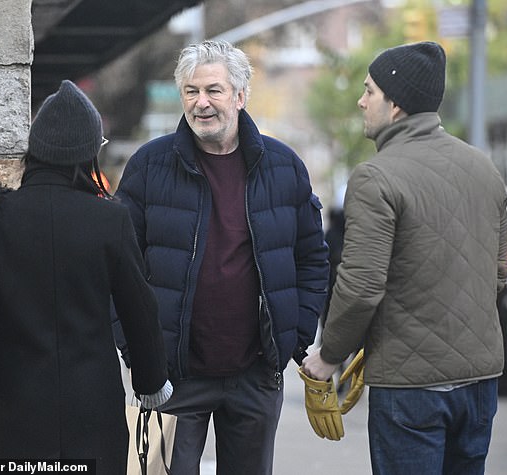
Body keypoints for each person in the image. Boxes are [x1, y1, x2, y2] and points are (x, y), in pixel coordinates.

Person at [0, 80, 171, 475]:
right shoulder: (110, 219)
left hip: (15, 401)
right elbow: (138, 309)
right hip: (93, 401)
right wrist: (151, 382)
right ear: (87, 152)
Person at [115, 40, 329, 474]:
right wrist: (138, 353)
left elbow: (312, 259)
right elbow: (118, 265)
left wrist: (295, 336)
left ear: (240, 95)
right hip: (171, 378)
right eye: (191, 92)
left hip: (254, 374)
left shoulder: (284, 167)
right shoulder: (148, 167)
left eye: (214, 90)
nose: (202, 103)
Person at [302, 41, 507, 474]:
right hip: (481, 384)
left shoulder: (376, 177)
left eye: (369, 91)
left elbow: (360, 288)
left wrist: (328, 357)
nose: (361, 101)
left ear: (395, 105)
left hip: (411, 389)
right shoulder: (483, 168)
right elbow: (498, 274)